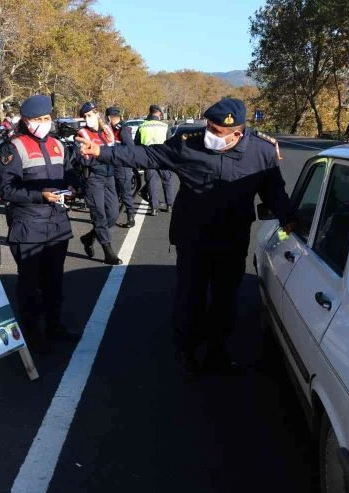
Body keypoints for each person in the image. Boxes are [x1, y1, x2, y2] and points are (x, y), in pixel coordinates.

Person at [77, 98, 294, 376]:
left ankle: (218, 352)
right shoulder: (187, 142)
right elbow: (147, 156)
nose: (210, 134)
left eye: (218, 132)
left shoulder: (261, 151)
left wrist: (290, 219)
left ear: (238, 133)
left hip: (232, 238)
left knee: (225, 299)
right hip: (193, 237)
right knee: (190, 296)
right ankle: (187, 351)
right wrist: (102, 151)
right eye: (209, 126)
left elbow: (274, 191)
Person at [0, 94, 81, 353]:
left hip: (57, 224)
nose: (44, 123)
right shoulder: (13, 147)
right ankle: (32, 337)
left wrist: (73, 187)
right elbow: (6, 189)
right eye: (38, 119)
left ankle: (54, 326)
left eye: (47, 118)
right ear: (26, 120)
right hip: (28, 226)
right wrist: (38, 195)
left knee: (54, 282)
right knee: (30, 287)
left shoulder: (58, 144)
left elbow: (71, 172)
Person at [75, 101, 123, 264]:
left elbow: (115, 151)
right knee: (99, 215)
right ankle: (108, 252)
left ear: (97, 114)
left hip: (109, 176)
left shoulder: (107, 130)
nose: (88, 118)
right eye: (85, 116)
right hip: (93, 178)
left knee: (113, 214)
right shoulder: (82, 133)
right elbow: (83, 159)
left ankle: (89, 237)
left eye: (90, 115)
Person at [136, 104, 175, 216]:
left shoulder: (142, 126)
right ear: (158, 113)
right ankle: (170, 205)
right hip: (162, 159)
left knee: (151, 183)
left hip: (148, 159)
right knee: (167, 181)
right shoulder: (164, 126)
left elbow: (137, 144)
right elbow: (170, 144)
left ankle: (154, 208)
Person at [106, 106, 136, 228]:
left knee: (125, 194)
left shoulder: (123, 130)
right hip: (114, 166)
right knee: (114, 194)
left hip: (122, 168)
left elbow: (130, 149)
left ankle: (131, 217)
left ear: (109, 118)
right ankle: (112, 216)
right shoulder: (112, 129)